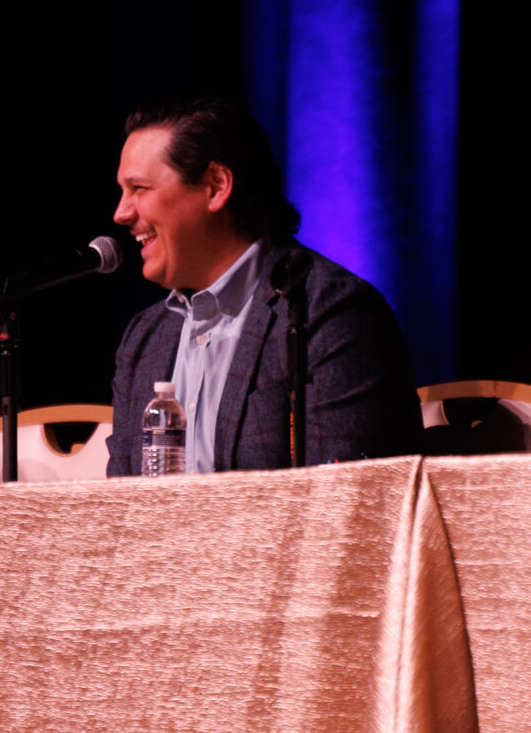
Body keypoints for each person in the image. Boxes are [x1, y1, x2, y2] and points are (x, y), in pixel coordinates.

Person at [105, 96, 420, 475]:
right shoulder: (144, 338)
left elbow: (344, 500)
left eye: (140, 188)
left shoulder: (330, 313)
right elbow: (122, 501)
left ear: (215, 186)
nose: (121, 213)